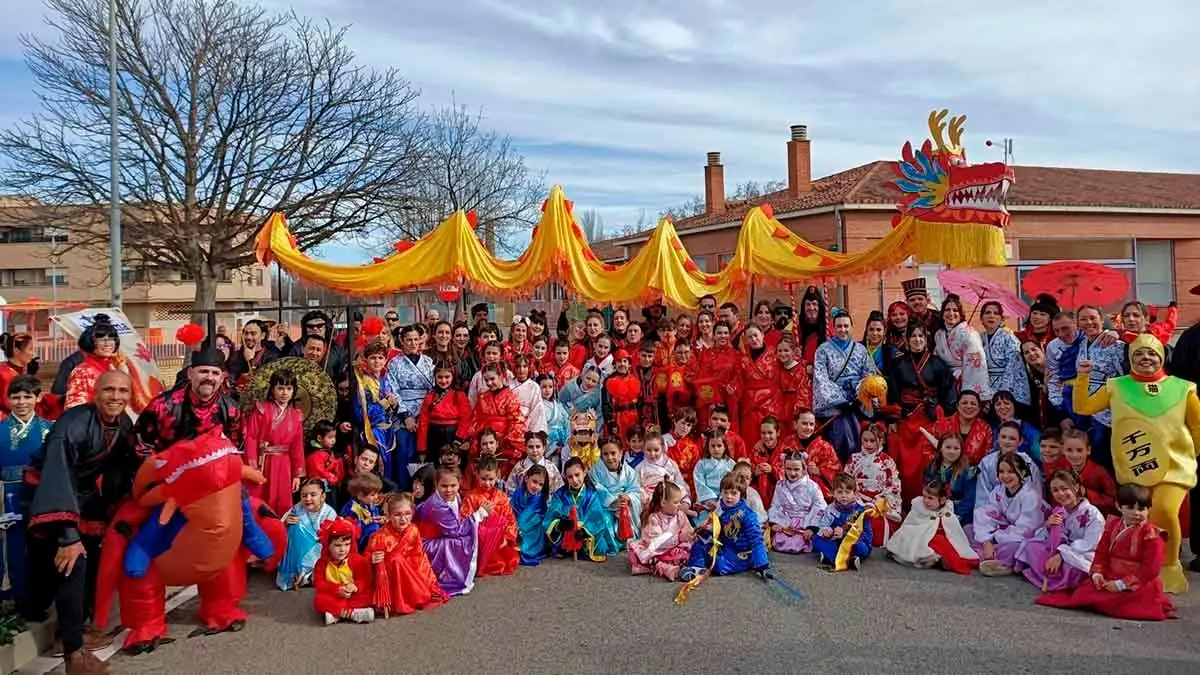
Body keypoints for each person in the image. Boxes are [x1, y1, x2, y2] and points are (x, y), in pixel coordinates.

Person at [21, 371, 140, 673]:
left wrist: (115, 510)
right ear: (95, 393)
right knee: (71, 563)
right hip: (48, 491)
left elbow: (119, 471)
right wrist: (68, 537)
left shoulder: (123, 423)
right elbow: (57, 476)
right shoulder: (72, 425)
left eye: (122, 391)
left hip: (82, 495)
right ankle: (73, 653)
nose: (116, 397)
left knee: (95, 554)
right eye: (109, 390)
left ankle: (76, 629)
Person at [1072, 332, 1199, 593]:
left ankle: (1169, 564)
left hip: (1173, 467)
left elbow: (1197, 425)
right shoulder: (1116, 385)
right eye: (1139, 353)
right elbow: (1083, 407)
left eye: (1152, 353)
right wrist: (1083, 377)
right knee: (1135, 516)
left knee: (1163, 510)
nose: (1146, 358)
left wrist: (1193, 452)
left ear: (1162, 357)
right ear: (1130, 358)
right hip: (1134, 464)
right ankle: (1139, 564)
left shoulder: (1183, 387)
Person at [1036, 484, 1176, 621]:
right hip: (1111, 576)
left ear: (1149, 509)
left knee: (1118, 601)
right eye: (1130, 508)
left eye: (1142, 508)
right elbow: (1102, 554)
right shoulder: (1113, 526)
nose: (1137, 513)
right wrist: (1098, 574)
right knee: (1084, 593)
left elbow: (1151, 569)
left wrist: (1122, 584)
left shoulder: (1152, 534)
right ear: (1119, 506)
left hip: (1139, 582)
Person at [886, 323, 955, 504]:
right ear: (907, 341)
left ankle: (931, 497)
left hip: (930, 416)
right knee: (903, 456)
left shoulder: (938, 364)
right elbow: (892, 392)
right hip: (907, 416)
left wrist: (943, 411)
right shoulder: (898, 364)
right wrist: (893, 417)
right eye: (913, 337)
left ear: (926, 340)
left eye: (921, 337)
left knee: (928, 457)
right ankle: (907, 500)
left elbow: (948, 390)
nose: (917, 340)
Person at [0, 376, 52, 605]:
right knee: (11, 543)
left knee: (41, 544)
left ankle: (39, 598)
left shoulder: (50, 430)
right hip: (6, 496)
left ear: (38, 398)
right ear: (8, 399)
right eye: (16, 397)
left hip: (40, 494)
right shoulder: (0, 430)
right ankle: (12, 596)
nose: (21, 402)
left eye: (27, 396)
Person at [137, 348, 240, 455]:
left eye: (215, 373)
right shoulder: (162, 406)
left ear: (222, 378)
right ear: (190, 374)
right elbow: (140, 446)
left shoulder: (231, 409)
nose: (209, 377)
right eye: (203, 371)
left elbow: (235, 451)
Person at [1014, 470, 1103, 592]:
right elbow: (1050, 539)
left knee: (1074, 568)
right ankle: (1051, 577)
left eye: (1064, 488)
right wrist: (1048, 525)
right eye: (1055, 490)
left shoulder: (1093, 514)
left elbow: (1090, 543)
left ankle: (1053, 578)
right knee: (1031, 546)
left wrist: (1062, 554)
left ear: (1076, 487)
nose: (1060, 493)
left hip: (1080, 554)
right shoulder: (1059, 511)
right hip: (1060, 551)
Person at [366, 492, 447, 617]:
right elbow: (365, 560)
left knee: (398, 560)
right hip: (390, 580)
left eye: (407, 514)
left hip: (411, 574)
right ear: (388, 515)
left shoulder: (413, 530)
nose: (403, 519)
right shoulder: (379, 536)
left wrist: (427, 583)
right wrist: (371, 559)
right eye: (397, 515)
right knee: (396, 560)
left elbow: (420, 559)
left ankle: (412, 595)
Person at [680, 473, 769, 581]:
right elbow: (715, 528)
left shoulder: (748, 515)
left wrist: (762, 564)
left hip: (740, 553)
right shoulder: (721, 508)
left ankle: (748, 563)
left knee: (719, 565)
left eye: (733, 493)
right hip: (724, 546)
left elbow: (756, 540)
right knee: (699, 545)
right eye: (725, 492)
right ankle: (696, 568)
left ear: (741, 494)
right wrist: (705, 532)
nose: (729, 496)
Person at [243, 369, 306, 517]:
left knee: (282, 501)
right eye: (280, 388)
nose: (285, 392)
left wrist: (297, 474)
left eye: (289, 388)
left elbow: (297, 446)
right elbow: (251, 437)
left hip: (284, 463)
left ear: (294, 391)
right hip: (263, 461)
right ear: (272, 389)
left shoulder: (296, 415)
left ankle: (281, 534)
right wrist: (252, 466)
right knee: (259, 500)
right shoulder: (261, 409)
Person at [415, 468, 487, 595]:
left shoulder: (456, 496)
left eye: (453, 485)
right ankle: (451, 578)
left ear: (459, 484)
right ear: (436, 485)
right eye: (444, 486)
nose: (449, 490)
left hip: (441, 535)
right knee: (461, 542)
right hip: (427, 543)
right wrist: (478, 515)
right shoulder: (437, 505)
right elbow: (455, 530)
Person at [812, 311, 872, 462]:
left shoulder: (861, 349)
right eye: (839, 326)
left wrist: (860, 396)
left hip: (856, 401)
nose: (842, 330)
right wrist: (839, 401)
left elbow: (868, 374)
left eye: (846, 326)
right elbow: (821, 378)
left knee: (860, 434)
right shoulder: (823, 350)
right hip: (835, 405)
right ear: (833, 327)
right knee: (841, 432)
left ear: (851, 327)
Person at [885, 478, 978, 574]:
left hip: (942, 539)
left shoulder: (947, 513)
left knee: (947, 545)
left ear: (942, 500)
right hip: (921, 539)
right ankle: (936, 559)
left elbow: (955, 534)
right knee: (936, 542)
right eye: (924, 496)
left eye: (930, 498)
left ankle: (943, 560)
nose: (926, 501)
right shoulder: (919, 509)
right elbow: (910, 525)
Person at [972, 454, 1044, 577]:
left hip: (1027, 535)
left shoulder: (1030, 495)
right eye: (1001, 471)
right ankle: (990, 555)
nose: (1005, 476)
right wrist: (986, 541)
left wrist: (995, 536)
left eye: (1011, 471)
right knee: (969, 529)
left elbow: (1027, 529)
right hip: (1005, 531)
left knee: (1015, 548)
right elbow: (986, 513)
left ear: (1022, 472)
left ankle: (995, 560)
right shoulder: (998, 491)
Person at [384, 325, 436, 490]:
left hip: (426, 413)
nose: (413, 343)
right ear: (402, 341)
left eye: (416, 339)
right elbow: (392, 389)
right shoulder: (394, 363)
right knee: (405, 454)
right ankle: (404, 492)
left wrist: (424, 415)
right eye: (408, 340)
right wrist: (406, 415)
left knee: (426, 455)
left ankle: (425, 493)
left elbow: (434, 390)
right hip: (403, 415)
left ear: (421, 340)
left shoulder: (428, 362)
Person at [544, 457, 619, 562]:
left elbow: (597, 519)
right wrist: (560, 524)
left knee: (601, 546)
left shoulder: (591, 494)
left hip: (586, 533)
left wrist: (584, 531)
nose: (574, 480)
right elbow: (551, 514)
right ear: (565, 477)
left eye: (577, 475)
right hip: (567, 532)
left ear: (584, 473)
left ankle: (581, 547)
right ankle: (565, 548)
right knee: (556, 541)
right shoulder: (560, 494)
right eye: (570, 477)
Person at [276, 478, 338, 591]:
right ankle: (294, 573)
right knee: (294, 526)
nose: (308, 499)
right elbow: (279, 527)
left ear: (323, 496)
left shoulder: (329, 513)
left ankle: (306, 574)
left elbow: (330, 539)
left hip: (319, 551)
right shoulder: (297, 508)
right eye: (304, 495)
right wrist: (285, 524)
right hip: (296, 552)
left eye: (313, 495)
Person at [461, 458, 519, 577]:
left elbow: (510, 520)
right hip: (479, 542)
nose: (487, 483)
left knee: (511, 558)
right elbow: (465, 521)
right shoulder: (471, 497)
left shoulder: (501, 497)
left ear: (497, 475)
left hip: (499, 541)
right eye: (483, 479)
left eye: (491, 479)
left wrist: (506, 538)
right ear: (477, 475)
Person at [311, 517, 375, 625]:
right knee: (319, 600)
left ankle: (336, 614)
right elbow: (319, 583)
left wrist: (355, 587)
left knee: (370, 596)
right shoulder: (321, 563)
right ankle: (352, 614)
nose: (342, 549)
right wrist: (337, 589)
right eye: (337, 545)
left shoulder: (358, 560)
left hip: (353, 595)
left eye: (347, 545)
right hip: (335, 595)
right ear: (328, 546)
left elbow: (365, 579)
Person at [846, 422, 901, 546]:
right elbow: (846, 481)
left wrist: (877, 503)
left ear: (881, 441)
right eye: (865, 440)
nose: (868, 444)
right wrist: (857, 500)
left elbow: (893, 485)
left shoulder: (887, 461)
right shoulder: (854, 459)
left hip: (878, 503)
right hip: (857, 499)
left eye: (873, 441)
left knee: (876, 524)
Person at [469, 364, 528, 476]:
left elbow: (516, 421)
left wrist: (507, 441)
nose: (489, 383)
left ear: (501, 376)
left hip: (505, 440)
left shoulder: (510, 396)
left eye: (492, 379)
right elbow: (476, 419)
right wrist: (477, 438)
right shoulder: (482, 397)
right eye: (486, 380)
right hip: (485, 440)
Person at [628, 481, 694, 580]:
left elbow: (688, 530)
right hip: (658, 550)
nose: (679, 505)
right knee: (644, 556)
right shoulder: (654, 518)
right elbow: (655, 542)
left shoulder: (680, 515)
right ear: (663, 502)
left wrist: (691, 535)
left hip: (676, 549)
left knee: (692, 551)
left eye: (680, 502)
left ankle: (682, 568)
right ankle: (666, 569)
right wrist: (679, 538)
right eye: (676, 502)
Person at [808, 473, 873, 570]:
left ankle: (837, 558)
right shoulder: (830, 509)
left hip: (853, 543)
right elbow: (823, 525)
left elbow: (868, 535)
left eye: (847, 492)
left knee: (861, 547)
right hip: (835, 542)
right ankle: (840, 559)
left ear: (854, 493)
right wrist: (827, 531)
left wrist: (846, 534)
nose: (844, 496)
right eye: (839, 492)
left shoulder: (861, 511)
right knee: (816, 539)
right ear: (833, 493)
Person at [934, 294, 991, 401]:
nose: (951, 313)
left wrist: (964, 384)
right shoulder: (939, 334)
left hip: (964, 379)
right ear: (942, 314)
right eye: (947, 310)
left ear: (961, 314)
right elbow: (935, 360)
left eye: (955, 310)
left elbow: (975, 365)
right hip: (945, 380)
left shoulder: (969, 334)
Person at [588, 437, 644, 544]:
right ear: (601, 454)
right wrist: (612, 501)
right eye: (605, 454)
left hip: (624, 506)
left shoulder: (629, 472)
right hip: (604, 507)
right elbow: (597, 489)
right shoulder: (594, 472)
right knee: (605, 522)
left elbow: (635, 490)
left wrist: (628, 497)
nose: (610, 457)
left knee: (627, 520)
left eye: (613, 453)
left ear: (621, 453)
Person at [767, 453, 826, 554]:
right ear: (784, 468)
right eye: (788, 469)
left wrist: (811, 528)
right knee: (779, 540)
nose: (792, 473)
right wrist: (776, 523)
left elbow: (820, 506)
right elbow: (776, 505)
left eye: (796, 469)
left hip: (805, 521)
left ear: (804, 469)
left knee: (802, 541)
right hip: (786, 522)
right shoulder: (780, 485)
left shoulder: (812, 486)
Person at [415, 365, 471, 465]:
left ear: (452, 377)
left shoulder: (459, 395)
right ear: (435, 377)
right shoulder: (430, 397)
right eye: (440, 377)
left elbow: (466, 418)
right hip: (434, 436)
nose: (443, 380)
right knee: (436, 467)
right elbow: (423, 423)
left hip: (454, 435)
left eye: (447, 377)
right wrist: (422, 449)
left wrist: (459, 438)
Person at [922, 434, 977, 533]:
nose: (952, 451)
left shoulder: (968, 471)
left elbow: (969, 500)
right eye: (948, 447)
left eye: (956, 448)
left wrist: (955, 515)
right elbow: (927, 487)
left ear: (961, 450)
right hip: (935, 506)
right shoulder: (933, 465)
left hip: (958, 511)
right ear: (940, 448)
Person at [64, 316, 120, 410]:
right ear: (90, 343)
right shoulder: (82, 371)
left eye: (111, 339)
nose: (107, 344)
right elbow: (74, 408)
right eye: (101, 339)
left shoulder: (115, 367)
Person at [979, 301, 1030, 407]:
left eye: (996, 313)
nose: (991, 316)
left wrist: (1003, 391)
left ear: (1001, 319)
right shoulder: (978, 338)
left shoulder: (1009, 337)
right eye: (987, 313)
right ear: (981, 318)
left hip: (1008, 385)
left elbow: (1013, 365)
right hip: (986, 384)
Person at [975, 421, 1042, 499]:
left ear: (1020, 441)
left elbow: (1035, 492)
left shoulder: (1028, 463)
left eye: (1012, 438)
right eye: (1003, 437)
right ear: (998, 438)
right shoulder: (986, 462)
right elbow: (983, 495)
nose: (1007, 442)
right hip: (993, 507)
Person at [739, 326, 781, 449]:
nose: (753, 339)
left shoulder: (776, 354)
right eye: (750, 337)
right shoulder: (743, 359)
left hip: (771, 403)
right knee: (751, 439)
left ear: (762, 335)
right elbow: (739, 380)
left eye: (756, 335)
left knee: (771, 437)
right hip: (750, 405)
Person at [1059, 429, 1118, 516]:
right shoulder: (1060, 468)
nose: (1074, 455)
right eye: (1069, 450)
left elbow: (1113, 502)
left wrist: (1086, 492)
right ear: (1062, 450)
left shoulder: (1099, 472)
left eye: (1079, 450)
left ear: (1088, 450)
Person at [931, 391, 993, 465]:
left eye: (973, 404)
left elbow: (987, 457)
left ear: (979, 408)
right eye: (964, 403)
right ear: (957, 406)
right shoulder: (942, 424)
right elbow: (928, 449)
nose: (969, 406)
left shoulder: (985, 428)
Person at [790, 409, 840, 498]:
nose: (808, 428)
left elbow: (836, 470)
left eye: (811, 424)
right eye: (804, 423)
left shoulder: (825, 447)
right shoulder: (786, 444)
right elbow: (778, 465)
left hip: (819, 495)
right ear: (795, 424)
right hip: (791, 492)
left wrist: (820, 471)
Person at [636, 428, 690, 509]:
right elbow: (637, 486)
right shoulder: (640, 467)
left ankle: (683, 508)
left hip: (670, 493)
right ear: (643, 449)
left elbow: (679, 481)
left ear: (662, 448)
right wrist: (644, 494)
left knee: (682, 490)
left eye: (656, 450)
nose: (652, 454)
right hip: (651, 496)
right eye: (648, 450)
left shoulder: (670, 463)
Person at [290, 310, 349, 382]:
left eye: (319, 326)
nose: (315, 329)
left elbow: (342, 375)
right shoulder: (296, 348)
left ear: (326, 327)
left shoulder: (337, 349)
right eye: (310, 326)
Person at [226, 319, 280, 394]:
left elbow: (267, 381)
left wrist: (251, 361)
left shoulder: (272, 356)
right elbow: (231, 379)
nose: (248, 337)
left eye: (253, 333)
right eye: (246, 333)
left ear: (262, 335)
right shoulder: (235, 355)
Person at [692, 432, 735, 522]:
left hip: (726, 497)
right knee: (705, 521)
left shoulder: (730, 463)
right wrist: (709, 500)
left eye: (719, 446)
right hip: (707, 500)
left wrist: (724, 497)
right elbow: (699, 482)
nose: (716, 449)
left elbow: (735, 482)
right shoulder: (702, 464)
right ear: (708, 447)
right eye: (712, 446)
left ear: (725, 447)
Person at [339, 473, 384, 552]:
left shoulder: (370, 504)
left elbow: (376, 517)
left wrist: (380, 520)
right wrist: (364, 523)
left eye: (377, 493)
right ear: (360, 495)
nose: (376, 497)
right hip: (359, 546)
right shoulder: (350, 509)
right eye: (372, 495)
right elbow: (348, 529)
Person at [304, 422, 344, 508]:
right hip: (321, 488)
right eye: (330, 437)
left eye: (334, 437)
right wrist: (333, 478)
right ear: (319, 438)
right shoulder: (315, 455)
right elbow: (319, 472)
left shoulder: (326, 450)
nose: (333, 440)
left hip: (328, 486)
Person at [0, 332, 40, 417]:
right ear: (16, 350)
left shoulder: (19, 372)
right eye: (30, 349)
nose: (33, 354)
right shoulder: (5, 375)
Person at [663, 408, 701, 495]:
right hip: (667, 480)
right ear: (675, 421)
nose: (685, 427)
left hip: (686, 484)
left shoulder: (692, 447)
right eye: (682, 423)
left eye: (689, 425)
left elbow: (696, 470)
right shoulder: (663, 441)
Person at [539, 374, 570, 466]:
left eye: (550, 387)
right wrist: (553, 447)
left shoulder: (558, 405)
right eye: (544, 387)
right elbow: (539, 430)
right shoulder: (538, 407)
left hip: (563, 443)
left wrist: (567, 441)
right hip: (548, 443)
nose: (547, 390)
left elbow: (567, 424)